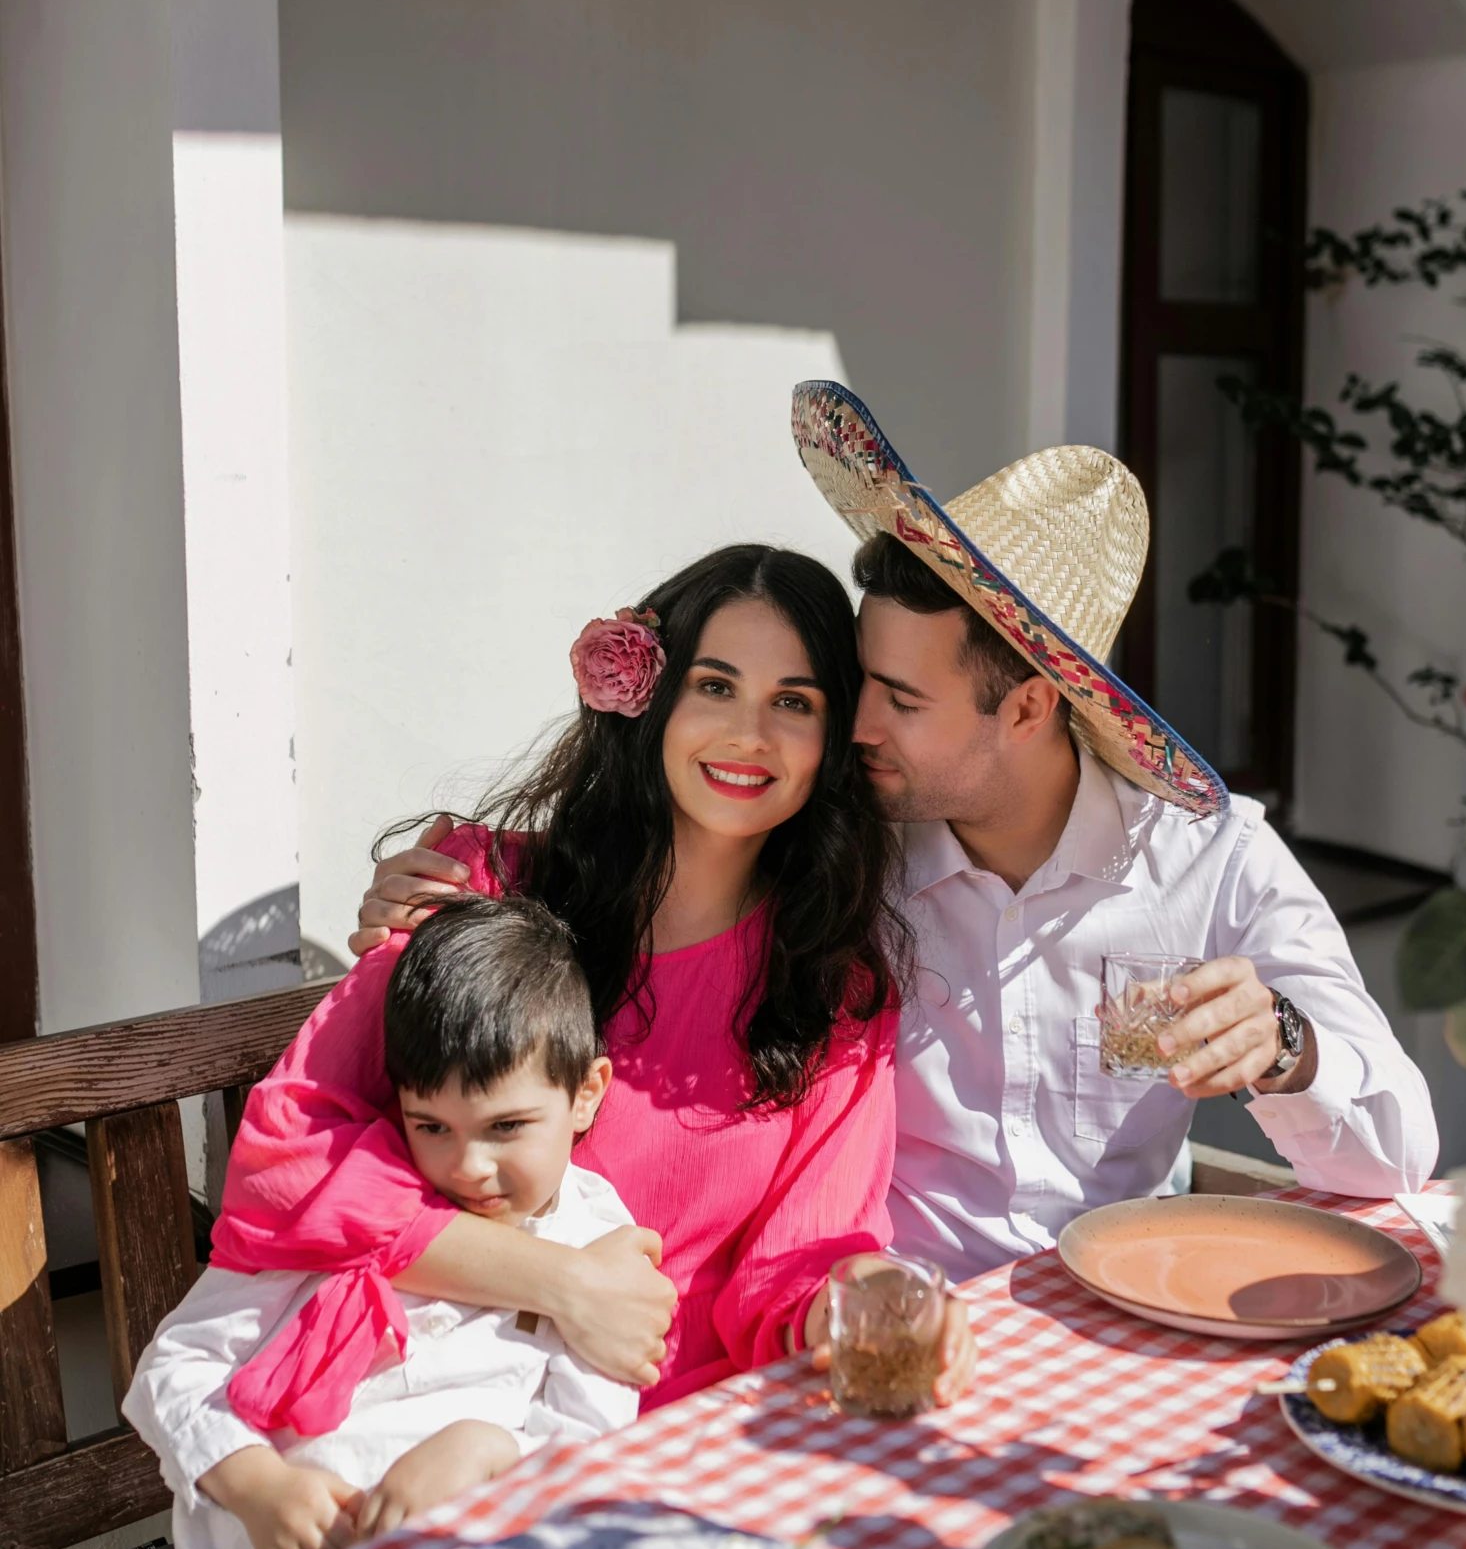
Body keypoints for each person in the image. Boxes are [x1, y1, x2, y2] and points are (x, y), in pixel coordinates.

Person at [358, 388, 1440, 1286]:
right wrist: (492, 884)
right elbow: (659, 856)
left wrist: (1285, 1047)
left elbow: (1400, 1152)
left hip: (1117, 1328)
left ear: (1025, 707)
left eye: (899, 701)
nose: (853, 728)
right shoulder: (842, 844)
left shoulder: (1211, 861)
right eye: (854, 685)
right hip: (878, 1323)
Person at [218, 542, 978, 1411]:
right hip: (426, 1404)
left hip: (671, 1431)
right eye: (715, 686)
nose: (748, 735)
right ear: (650, 700)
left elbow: (797, 1265)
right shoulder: (479, 891)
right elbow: (284, 1162)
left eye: (793, 703)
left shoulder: (829, 987)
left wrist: (868, 1299)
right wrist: (562, 1283)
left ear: (832, 742)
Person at [125, 897, 640, 1549]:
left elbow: (589, 1455)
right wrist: (258, 1485)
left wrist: (490, 1448)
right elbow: (174, 1368)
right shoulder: (345, 1204)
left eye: (507, 1128)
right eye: (431, 1126)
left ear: (585, 1094)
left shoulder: (598, 1242)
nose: (468, 1166)